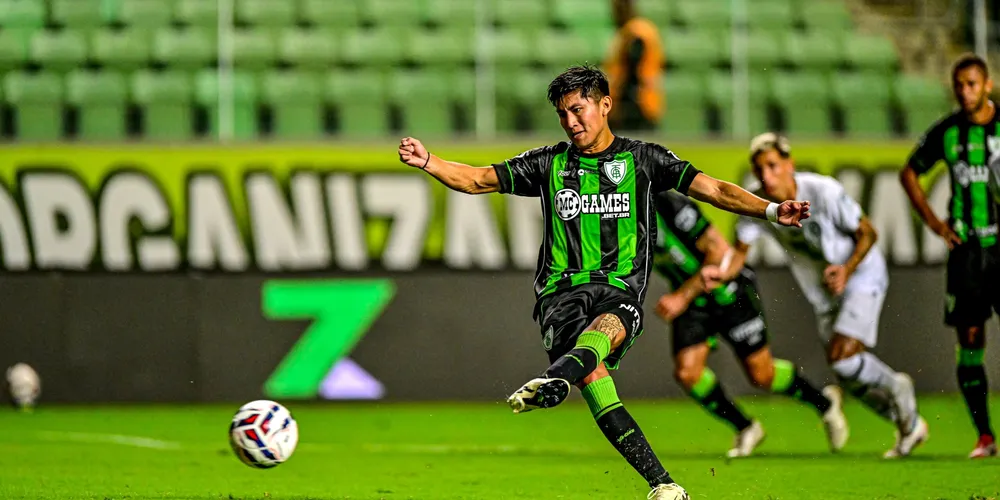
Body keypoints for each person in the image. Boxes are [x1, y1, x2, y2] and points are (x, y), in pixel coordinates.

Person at [397, 66, 810, 500]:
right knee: (596, 381)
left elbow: (715, 190)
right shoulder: (549, 163)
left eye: (578, 110)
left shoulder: (644, 159)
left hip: (619, 289)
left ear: (605, 105)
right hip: (560, 293)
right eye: (562, 114)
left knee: (606, 331)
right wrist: (429, 161)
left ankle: (566, 387)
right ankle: (658, 478)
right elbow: (478, 180)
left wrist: (770, 210)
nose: (570, 122)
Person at [703, 132, 929, 459]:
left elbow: (868, 232)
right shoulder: (758, 204)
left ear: (789, 164)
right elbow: (739, 253)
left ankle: (897, 387)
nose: (766, 175)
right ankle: (909, 424)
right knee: (848, 375)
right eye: (759, 168)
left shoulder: (823, 191)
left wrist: (847, 269)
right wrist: (722, 273)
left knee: (843, 358)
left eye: (772, 165)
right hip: (824, 291)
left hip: (860, 274)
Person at [651, 191, 848, 458]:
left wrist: (681, 297)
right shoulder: (621, 216)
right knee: (688, 373)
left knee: (762, 375)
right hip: (693, 301)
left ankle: (825, 404)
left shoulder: (668, 204)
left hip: (727, 290)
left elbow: (720, 252)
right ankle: (746, 427)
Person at [899, 53, 999, 458]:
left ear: (987, 85)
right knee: (970, 338)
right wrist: (936, 224)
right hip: (966, 252)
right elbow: (909, 173)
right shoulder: (948, 131)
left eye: (971, 83)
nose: (964, 91)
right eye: (958, 85)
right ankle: (985, 436)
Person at [605, 0, 664, 131]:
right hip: (649, 97)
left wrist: (616, 97)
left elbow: (631, 70)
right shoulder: (645, 28)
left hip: (636, 102)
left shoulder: (634, 33)